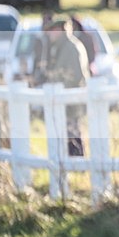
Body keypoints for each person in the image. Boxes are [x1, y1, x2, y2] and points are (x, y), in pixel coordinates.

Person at [43, 18, 90, 156]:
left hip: (71, 101)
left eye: (52, 31)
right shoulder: (62, 47)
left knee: (73, 137)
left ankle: (77, 164)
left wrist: (62, 93)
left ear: (59, 30)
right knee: (67, 136)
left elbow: (75, 76)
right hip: (66, 100)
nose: (49, 34)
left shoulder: (71, 47)